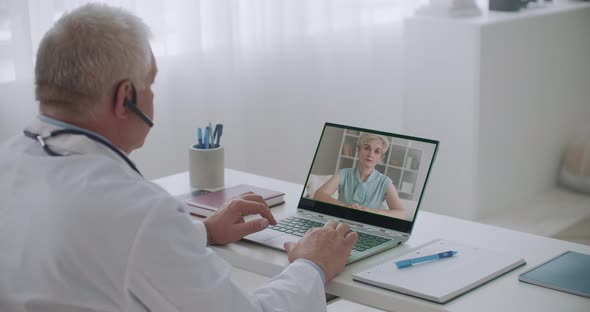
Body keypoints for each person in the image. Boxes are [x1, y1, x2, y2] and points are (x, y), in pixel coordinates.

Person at [0, 4, 357, 312]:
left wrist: (201, 231)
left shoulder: (10, 161)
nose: (152, 97)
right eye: (150, 84)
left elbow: (97, 246)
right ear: (125, 96)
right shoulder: (136, 209)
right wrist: (313, 265)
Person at [313, 132, 405, 219]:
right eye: (367, 148)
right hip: (341, 222)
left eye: (377, 151)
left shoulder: (385, 182)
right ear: (358, 150)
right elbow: (318, 195)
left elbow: (401, 213)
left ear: (380, 158)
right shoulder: (344, 174)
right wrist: (346, 206)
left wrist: (371, 211)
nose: (370, 154)